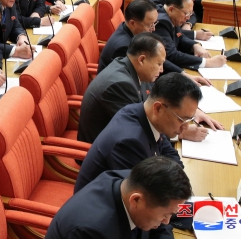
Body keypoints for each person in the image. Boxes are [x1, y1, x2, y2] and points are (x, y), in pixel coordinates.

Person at [74, 73, 199, 192]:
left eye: (189, 119)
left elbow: (169, 152)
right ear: (158, 108)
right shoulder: (129, 142)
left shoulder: (146, 115)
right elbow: (148, 200)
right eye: (182, 119)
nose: (186, 126)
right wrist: (191, 209)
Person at [46, 157, 192, 239]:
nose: (167, 221)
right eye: (165, 215)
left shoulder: (134, 183)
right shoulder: (91, 232)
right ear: (136, 200)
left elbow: (160, 228)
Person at [79, 33, 165, 144]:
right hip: (106, 153)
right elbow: (140, 130)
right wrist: (174, 128)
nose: (162, 69)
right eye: (159, 64)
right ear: (142, 60)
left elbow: (149, 97)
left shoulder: (129, 67)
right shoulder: (121, 85)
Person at [154, 0, 226, 70]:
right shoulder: (161, 23)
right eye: (186, 14)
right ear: (171, 10)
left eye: (190, 14)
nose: (188, 18)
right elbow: (171, 55)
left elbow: (180, 36)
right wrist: (207, 62)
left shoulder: (172, 17)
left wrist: (194, 45)